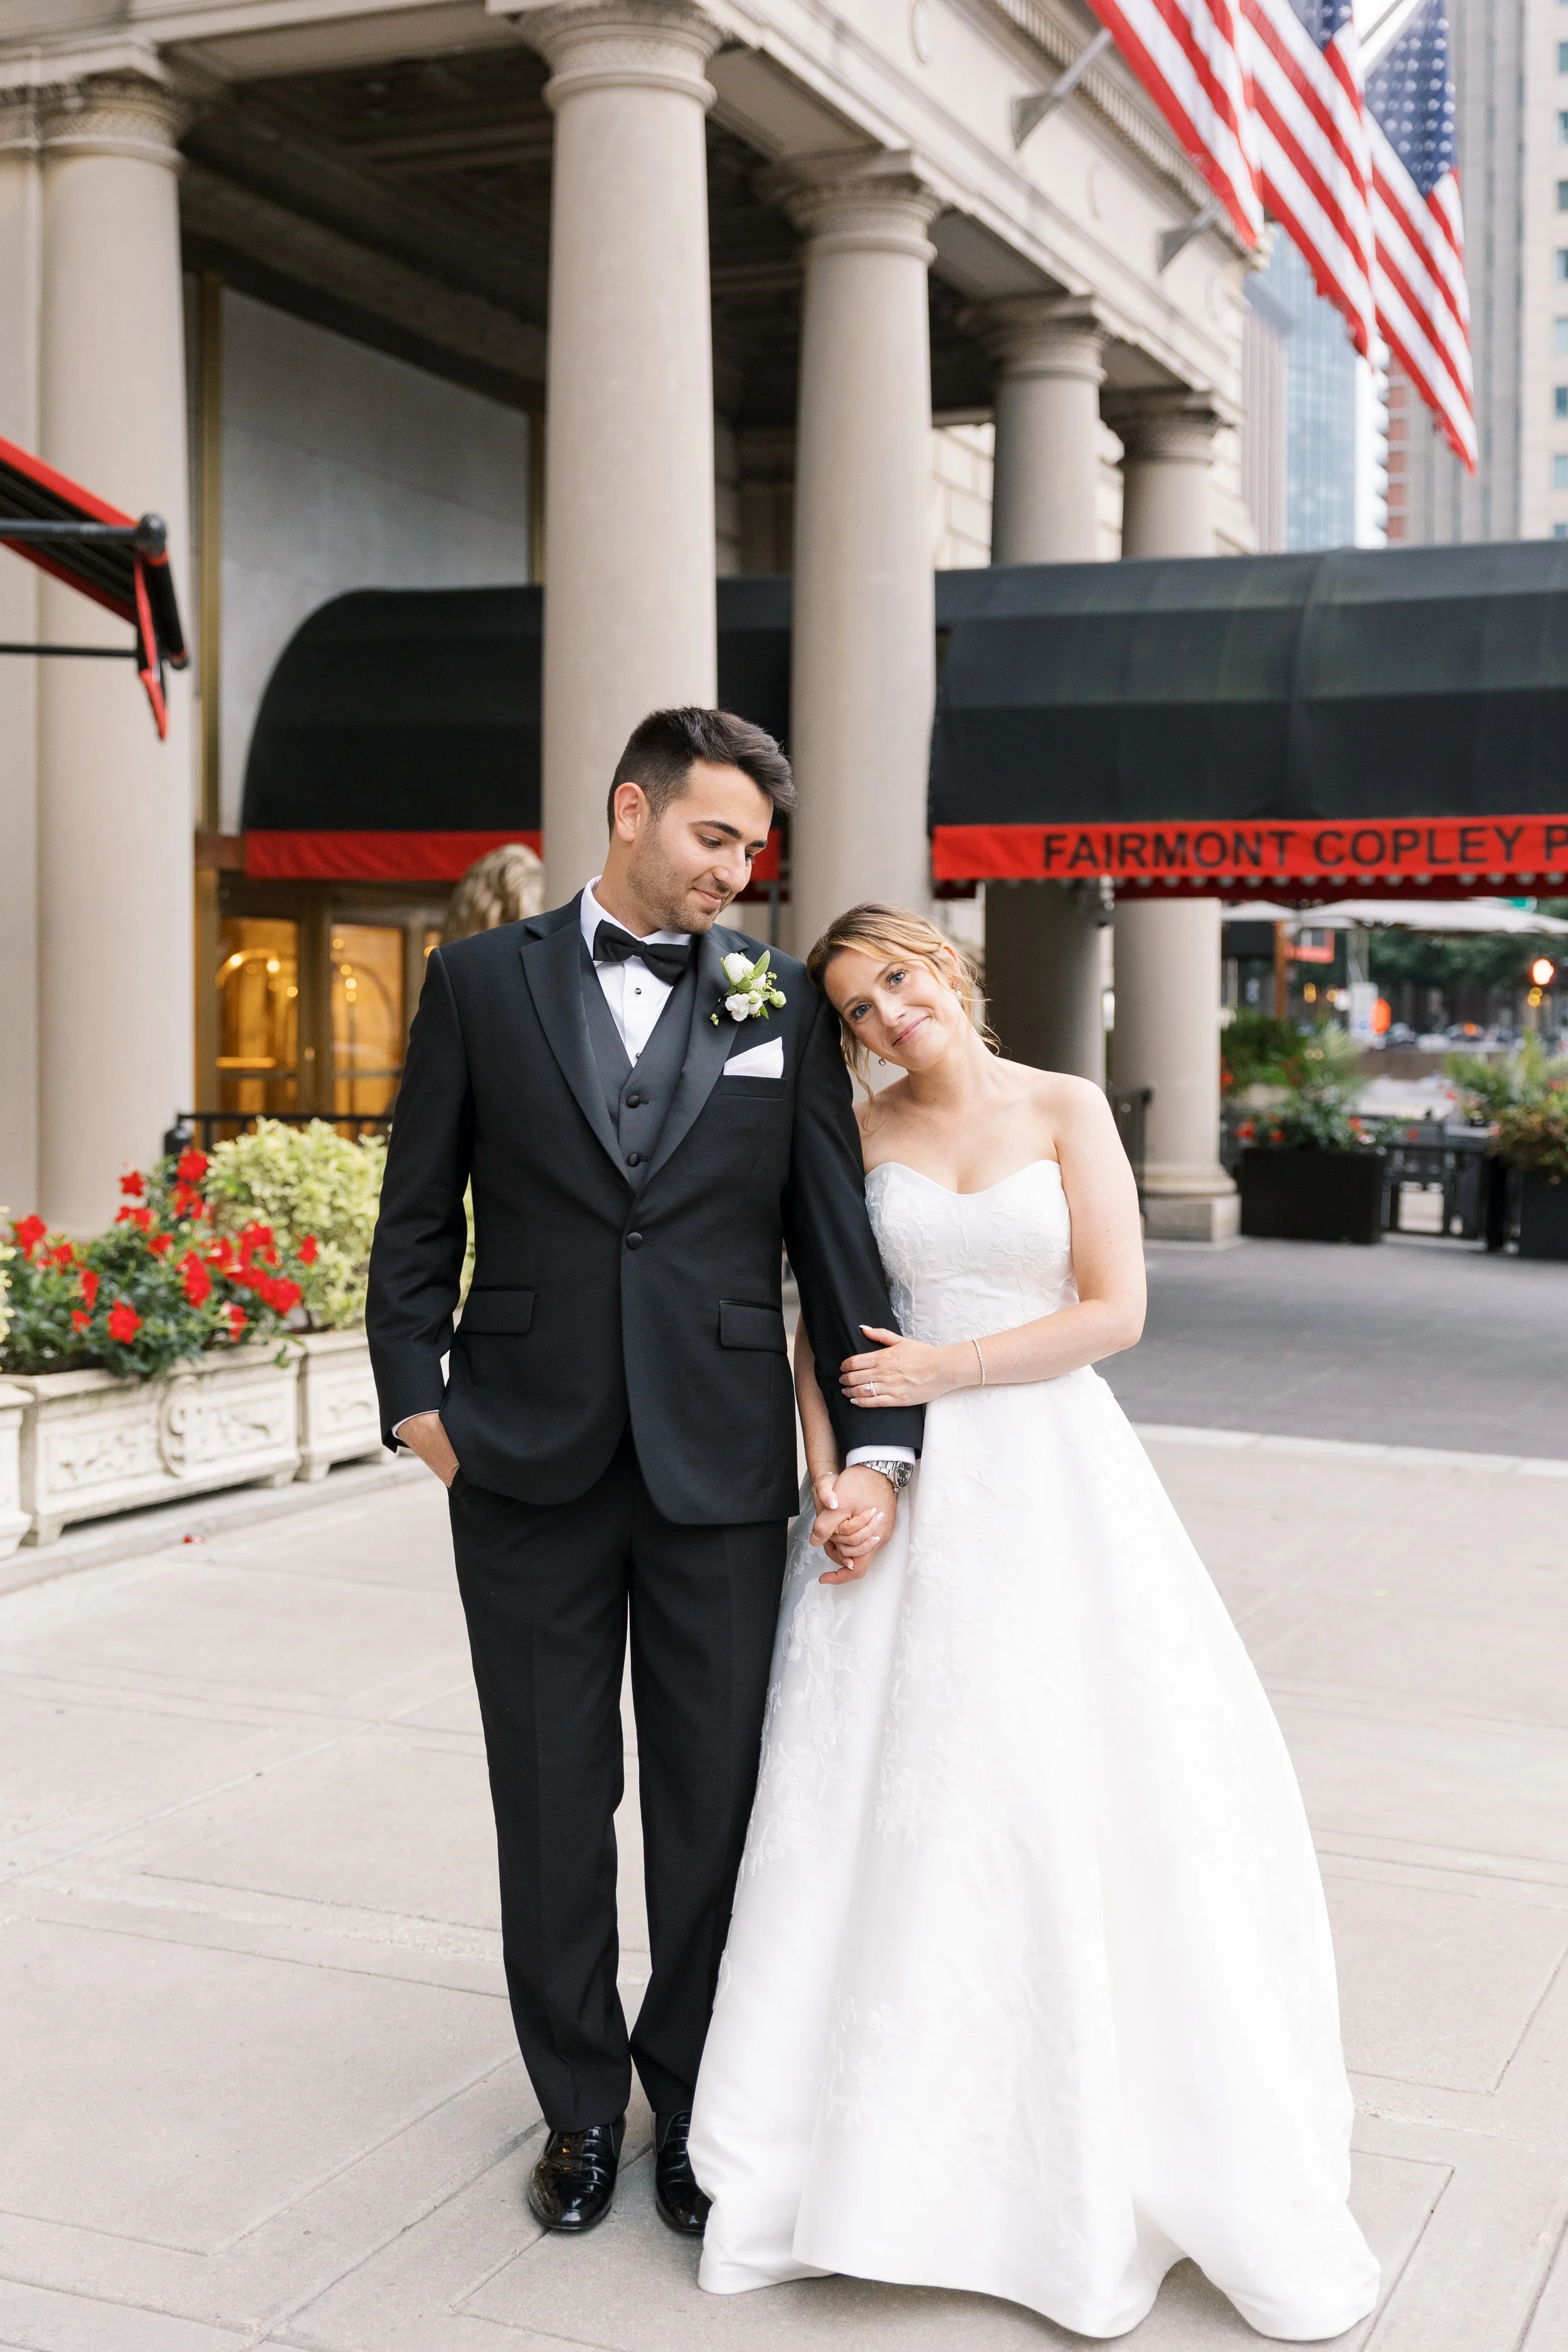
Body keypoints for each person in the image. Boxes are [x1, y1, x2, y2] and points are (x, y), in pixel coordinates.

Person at [689, 903, 1382, 2342]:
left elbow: (1113, 1310)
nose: (886, 1015)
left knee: (1068, 1784)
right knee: (889, 1807)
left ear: (945, 966)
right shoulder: (852, 1137)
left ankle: (1087, 2140)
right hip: (907, 1492)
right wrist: (840, 1481)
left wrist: (952, 1367)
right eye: (856, 1008)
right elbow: (821, 1325)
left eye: (897, 978)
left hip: (1052, 1476)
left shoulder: (1067, 1106)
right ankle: (866, 2160)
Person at [364, 712, 919, 2243]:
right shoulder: (479, 981)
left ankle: (692, 2107)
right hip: (520, 1459)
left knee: (712, 1807)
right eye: (714, 840)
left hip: (721, 1466)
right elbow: (417, 1214)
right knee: (546, 1803)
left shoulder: (776, 1001)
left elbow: (834, 1237)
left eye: (755, 852)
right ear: (632, 808)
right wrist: (418, 1403)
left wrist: (877, 1445)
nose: (737, 877)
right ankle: (575, 2114)